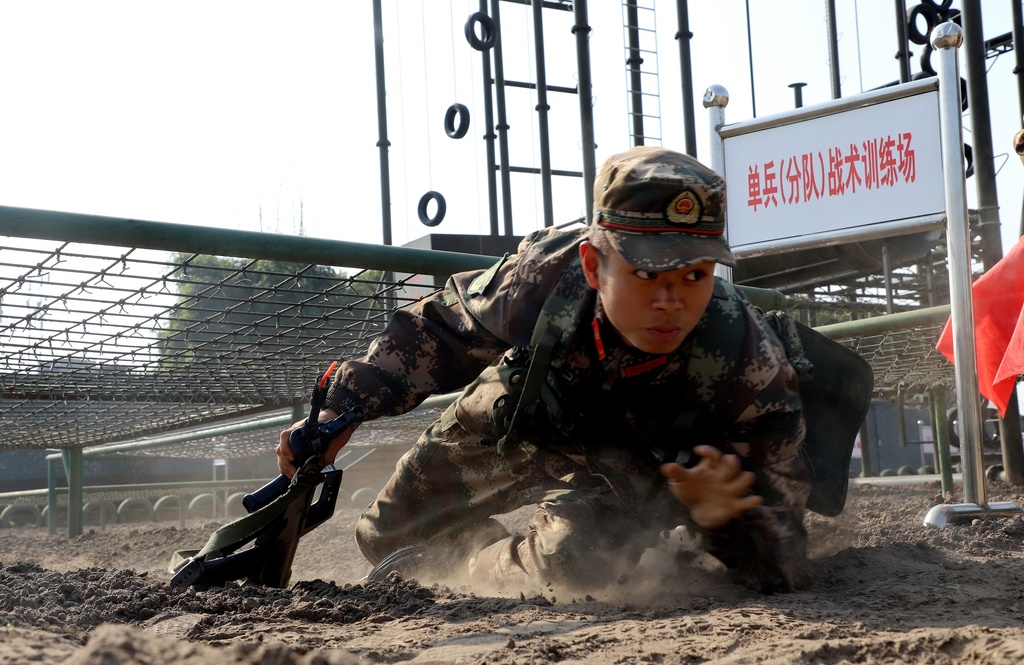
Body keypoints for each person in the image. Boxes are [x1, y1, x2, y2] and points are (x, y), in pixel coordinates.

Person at [277, 146, 810, 595]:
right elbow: (438, 331)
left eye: (695, 274)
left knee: (571, 566)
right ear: (592, 265)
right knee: (384, 537)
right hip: (530, 416)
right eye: (647, 271)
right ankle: (474, 545)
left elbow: (784, 551)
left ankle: (470, 568)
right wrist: (339, 410)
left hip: (629, 476)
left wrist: (722, 520)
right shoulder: (545, 277)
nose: (672, 300)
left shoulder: (751, 367)